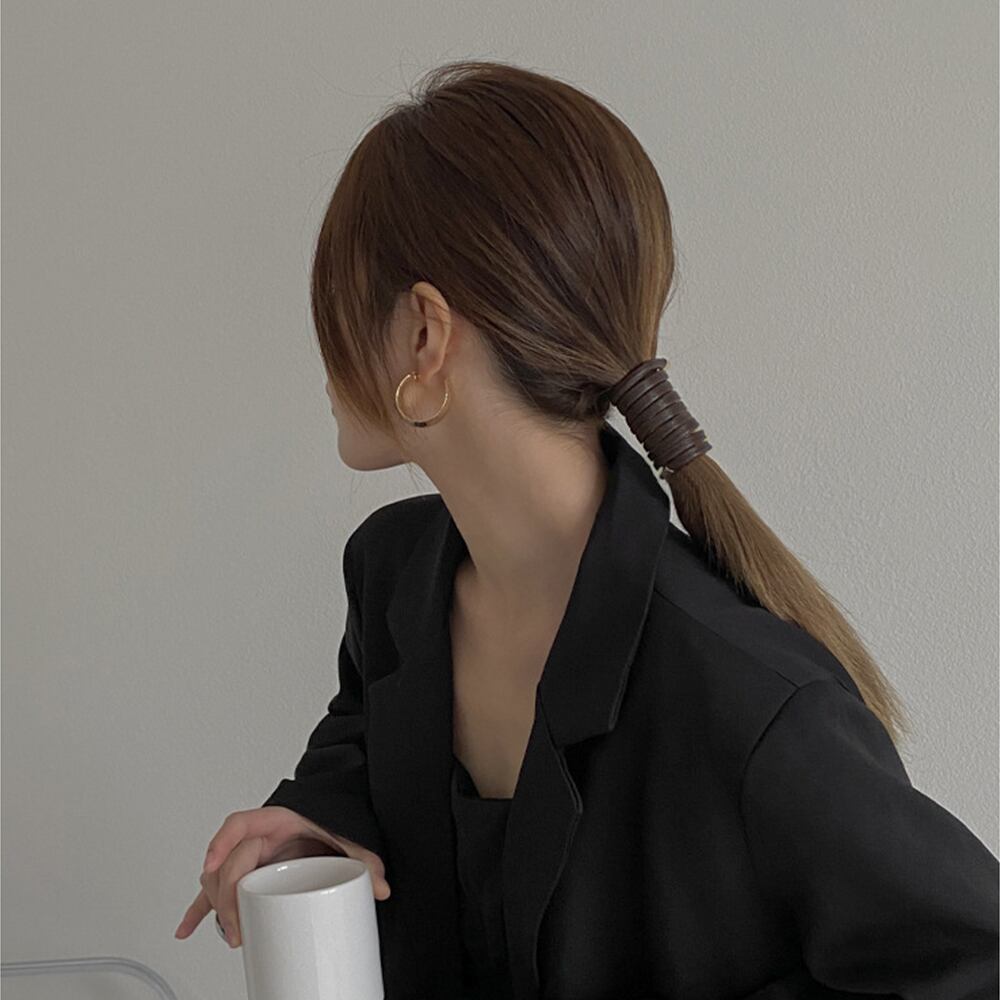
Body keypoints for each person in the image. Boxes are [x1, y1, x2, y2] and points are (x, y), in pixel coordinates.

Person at [174, 59, 999, 999]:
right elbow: (364, 745)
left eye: (336, 302)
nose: (322, 349)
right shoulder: (392, 577)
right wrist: (321, 823)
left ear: (425, 337)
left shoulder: (745, 700)